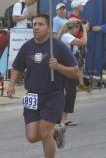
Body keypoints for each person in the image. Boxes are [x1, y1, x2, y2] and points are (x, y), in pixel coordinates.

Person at [7, 13, 79, 158]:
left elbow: (75, 72)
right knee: (32, 136)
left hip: (53, 95)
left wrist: (58, 66)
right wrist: (11, 84)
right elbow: (18, 67)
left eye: (41, 24)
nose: (36, 27)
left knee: (45, 132)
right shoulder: (27, 47)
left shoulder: (58, 46)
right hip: (32, 95)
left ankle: (51, 133)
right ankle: (56, 131)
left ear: (49, 28)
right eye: (34, 24)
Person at [57, 18, 87, 126]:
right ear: (74, 27)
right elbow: (83, 42)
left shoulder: (68, 36)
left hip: (68, 67)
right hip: (67, 68)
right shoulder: (66, 36)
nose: (78, 30)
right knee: (69, 93)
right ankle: (63, 119)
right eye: (78, 28)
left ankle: (61, 117)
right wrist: (84, 30)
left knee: (68, 92)